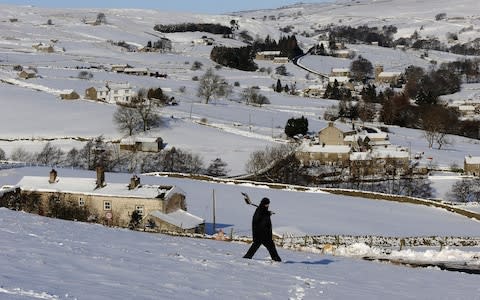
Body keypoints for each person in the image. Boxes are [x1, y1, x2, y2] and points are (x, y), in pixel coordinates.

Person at [243, 197, 281, 262]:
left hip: (263, 234)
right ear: (263, 204)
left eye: (268, 204)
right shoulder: (259, 211)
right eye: (266, 204)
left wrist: (268, 213)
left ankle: (247, 257)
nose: (267, 205)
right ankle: (276, 259)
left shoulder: (262, 210)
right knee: (270, 247)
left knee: (261, 246)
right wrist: (268, 214)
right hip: (261, 233)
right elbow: (258, 220)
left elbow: (263, 215)